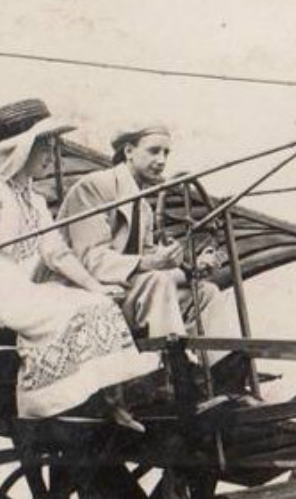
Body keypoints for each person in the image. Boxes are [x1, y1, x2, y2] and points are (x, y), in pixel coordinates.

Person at [0, 99, 157, 427]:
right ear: (20, 148)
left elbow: (56, 253)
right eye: (44, 145)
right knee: (70, 313)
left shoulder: (34, 199)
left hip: (19, 287)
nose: (50, 154)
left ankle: (107, 402)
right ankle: (43, 401)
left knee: (97, 304)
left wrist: (96, 286)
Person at [56, 123, 252, 394]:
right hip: (85, 294)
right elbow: (91, 259)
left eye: (166, 153)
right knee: (158, 282)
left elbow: (148, 260)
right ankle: (178, 380)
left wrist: (191, 268)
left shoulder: (144, 207)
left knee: (205, 293)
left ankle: (229, 383)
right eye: (154, 151)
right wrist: (153, 262)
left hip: (126, 294)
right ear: (129, 151)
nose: (161, 160)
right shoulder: (93, 188)